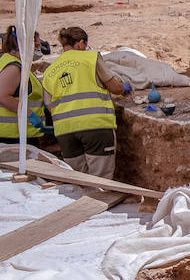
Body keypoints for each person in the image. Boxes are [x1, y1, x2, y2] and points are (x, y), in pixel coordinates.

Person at [41, 26, 129, 180]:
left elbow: (50, 106)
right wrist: (125, 88)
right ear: (81, 43)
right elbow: (115, 88)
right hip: (95, 126)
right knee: (100, 181)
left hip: (64, 131)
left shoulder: (49, 71)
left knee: (78, 181)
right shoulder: (91, 58)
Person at [0, 26, 46, 146]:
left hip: (16, 133)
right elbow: (3, 96)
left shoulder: (7, 61)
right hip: (12, 135)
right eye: (36, 46)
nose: (37, 50)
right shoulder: (13, 67)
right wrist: (30, 114)